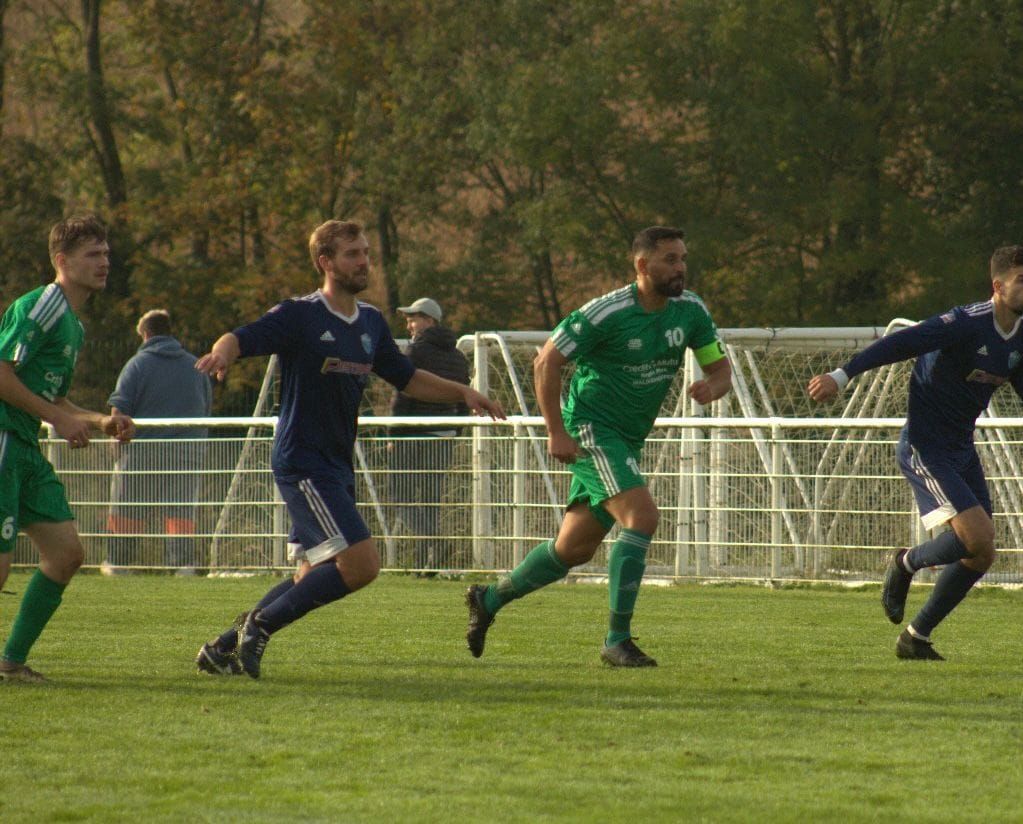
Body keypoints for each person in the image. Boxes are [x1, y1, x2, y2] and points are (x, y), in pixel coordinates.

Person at [194, 219, 505, 679]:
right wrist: (223, 354)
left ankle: (221, 649)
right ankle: (257, 628)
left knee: (309, 577)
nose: (363, 261)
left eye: (365, 252)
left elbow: (408, 377)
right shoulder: (301, 315)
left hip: (336, 465)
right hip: (302, 460)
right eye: (352, 254)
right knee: (361, 564)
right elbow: (241, 336)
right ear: (326, 262)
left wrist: (463, 392)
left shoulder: (372, 322)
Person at [465, 225, 732, 667]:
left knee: (573, 549)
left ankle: (487, 599)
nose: (681, 268)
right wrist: (556, 431)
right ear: (643, 265)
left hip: (627, 437)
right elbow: (546, 361)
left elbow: (720, 370)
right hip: (591, 428)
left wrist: (712, 387)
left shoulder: (691, 310)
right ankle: (617, 640)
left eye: (683, 258)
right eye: (670, 259)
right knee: (642, 516)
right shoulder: (606, 312)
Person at [808, 246, 1023, 661]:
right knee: (977, 537)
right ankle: (906, 562)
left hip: (961, 448)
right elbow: (902, 342)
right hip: (925, 447)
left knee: (982, 553)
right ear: (998, 287)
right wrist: (842, 375)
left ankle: (915, 637)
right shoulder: (965, 323)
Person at [0, 215, 135, 682]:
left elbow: (53, 397)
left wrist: (99, 419)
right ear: (62, 261)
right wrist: (58, 419)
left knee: (66, 554)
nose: (104, 263)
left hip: (24, 447)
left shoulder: (73, 325)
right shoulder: (42, 306)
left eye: (106, 254)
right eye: (92, 255)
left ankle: (10, 662)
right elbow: (1, 374)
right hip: (2, 439)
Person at [105, 309, 213, 574]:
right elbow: (206, 410)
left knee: (128, 506)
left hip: (142, 454)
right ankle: (181, 566)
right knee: (180, 511)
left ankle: (118, 563)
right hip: (187, 455)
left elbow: (119, 410)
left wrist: (115, 446)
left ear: (145, 334)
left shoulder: (137, 365)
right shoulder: (196, 366)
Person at [389, 297, 470, 572]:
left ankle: (434, 542)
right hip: (445, 434)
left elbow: (403, 395)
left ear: (430, 321)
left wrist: (393, 433)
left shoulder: (415, 352)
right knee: (431, 498)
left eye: (414, 318)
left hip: (414, 433)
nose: (409, 324)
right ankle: (427, 563)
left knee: (400, 496)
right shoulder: (458, 356)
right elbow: (463, 399)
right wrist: (456, 431)